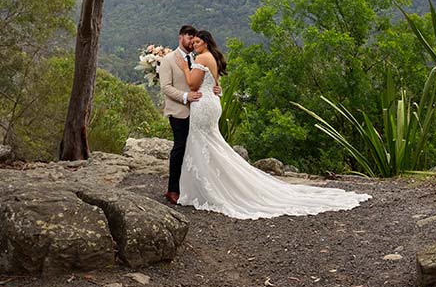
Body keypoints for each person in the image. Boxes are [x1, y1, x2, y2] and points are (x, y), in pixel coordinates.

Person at [176, 30, 370, 219]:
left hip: (202, 106)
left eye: (197, 43)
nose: (194, 46)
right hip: (212, 103)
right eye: (193, 44)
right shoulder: (212, 58)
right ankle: (215, 184)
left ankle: (213, 188)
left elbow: (193, 85)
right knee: (212, 145)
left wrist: (185, 68)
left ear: (206, 42)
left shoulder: (201, 58)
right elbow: (215, 84)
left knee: (205, 144)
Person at [159, 25, 199, 205]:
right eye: (189, 37)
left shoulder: (195, 58)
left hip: (197, 112)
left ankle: (189, 187)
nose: (192, 41)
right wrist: (185, 96)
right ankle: (173, 190)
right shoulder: (168, 60)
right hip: (178, 111)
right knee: (180, 147)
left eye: (194, 38)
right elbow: (165, 87)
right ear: (180, 37)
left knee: (194, 148)